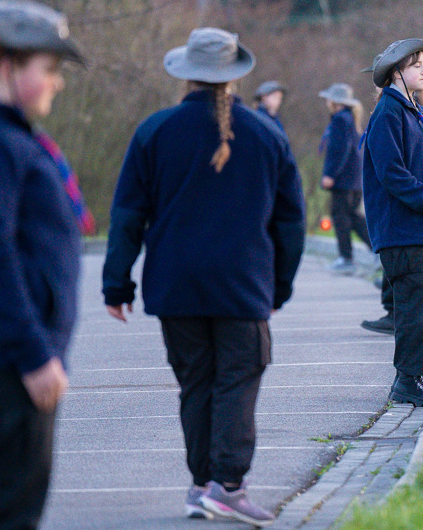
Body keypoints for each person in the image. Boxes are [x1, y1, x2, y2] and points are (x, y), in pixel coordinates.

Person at [101, 28, 305, 526]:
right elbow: (291, 221)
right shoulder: (266, 134)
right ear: (235, 76)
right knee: (238, 376)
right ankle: (228, 485)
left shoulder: (154, 130)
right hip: (241, 282)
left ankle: (201, 486)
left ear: (186, 74)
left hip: (175, 285)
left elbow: (128, 213)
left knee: (196, 383)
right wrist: (279, 286)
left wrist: (116, 284)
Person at [0, 0, 89, 529]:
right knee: (9, 512)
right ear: (8, 65)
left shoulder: (11, 136)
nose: (58, 83)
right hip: (8, 369)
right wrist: (33, 355)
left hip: (13, 363)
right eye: (48, 70)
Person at [362, 39, 423, 408]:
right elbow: (391, 173)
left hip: (419, 228)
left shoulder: (412, 111)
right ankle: (407, 381)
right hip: (401, 229)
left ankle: (415, 377)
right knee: (415, 306)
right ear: (395, 72)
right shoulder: (388, 113)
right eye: (416, 63)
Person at [360, 74, 423, 335]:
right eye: (417, 65)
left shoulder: (419, 114)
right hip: (420, 199)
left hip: (421, 197)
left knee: (420, 288)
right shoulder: (393, 112)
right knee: (416, 286)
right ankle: (409, 369)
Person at [318, 83, 371, 274]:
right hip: (354, 179)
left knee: (341, 217)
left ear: (334, 101)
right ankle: (378, 251)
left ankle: (346, 258)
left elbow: (339, 150)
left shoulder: (341, 119)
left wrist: (330, 174)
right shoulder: (351, 118)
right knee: (353, 217)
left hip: (344, 180)